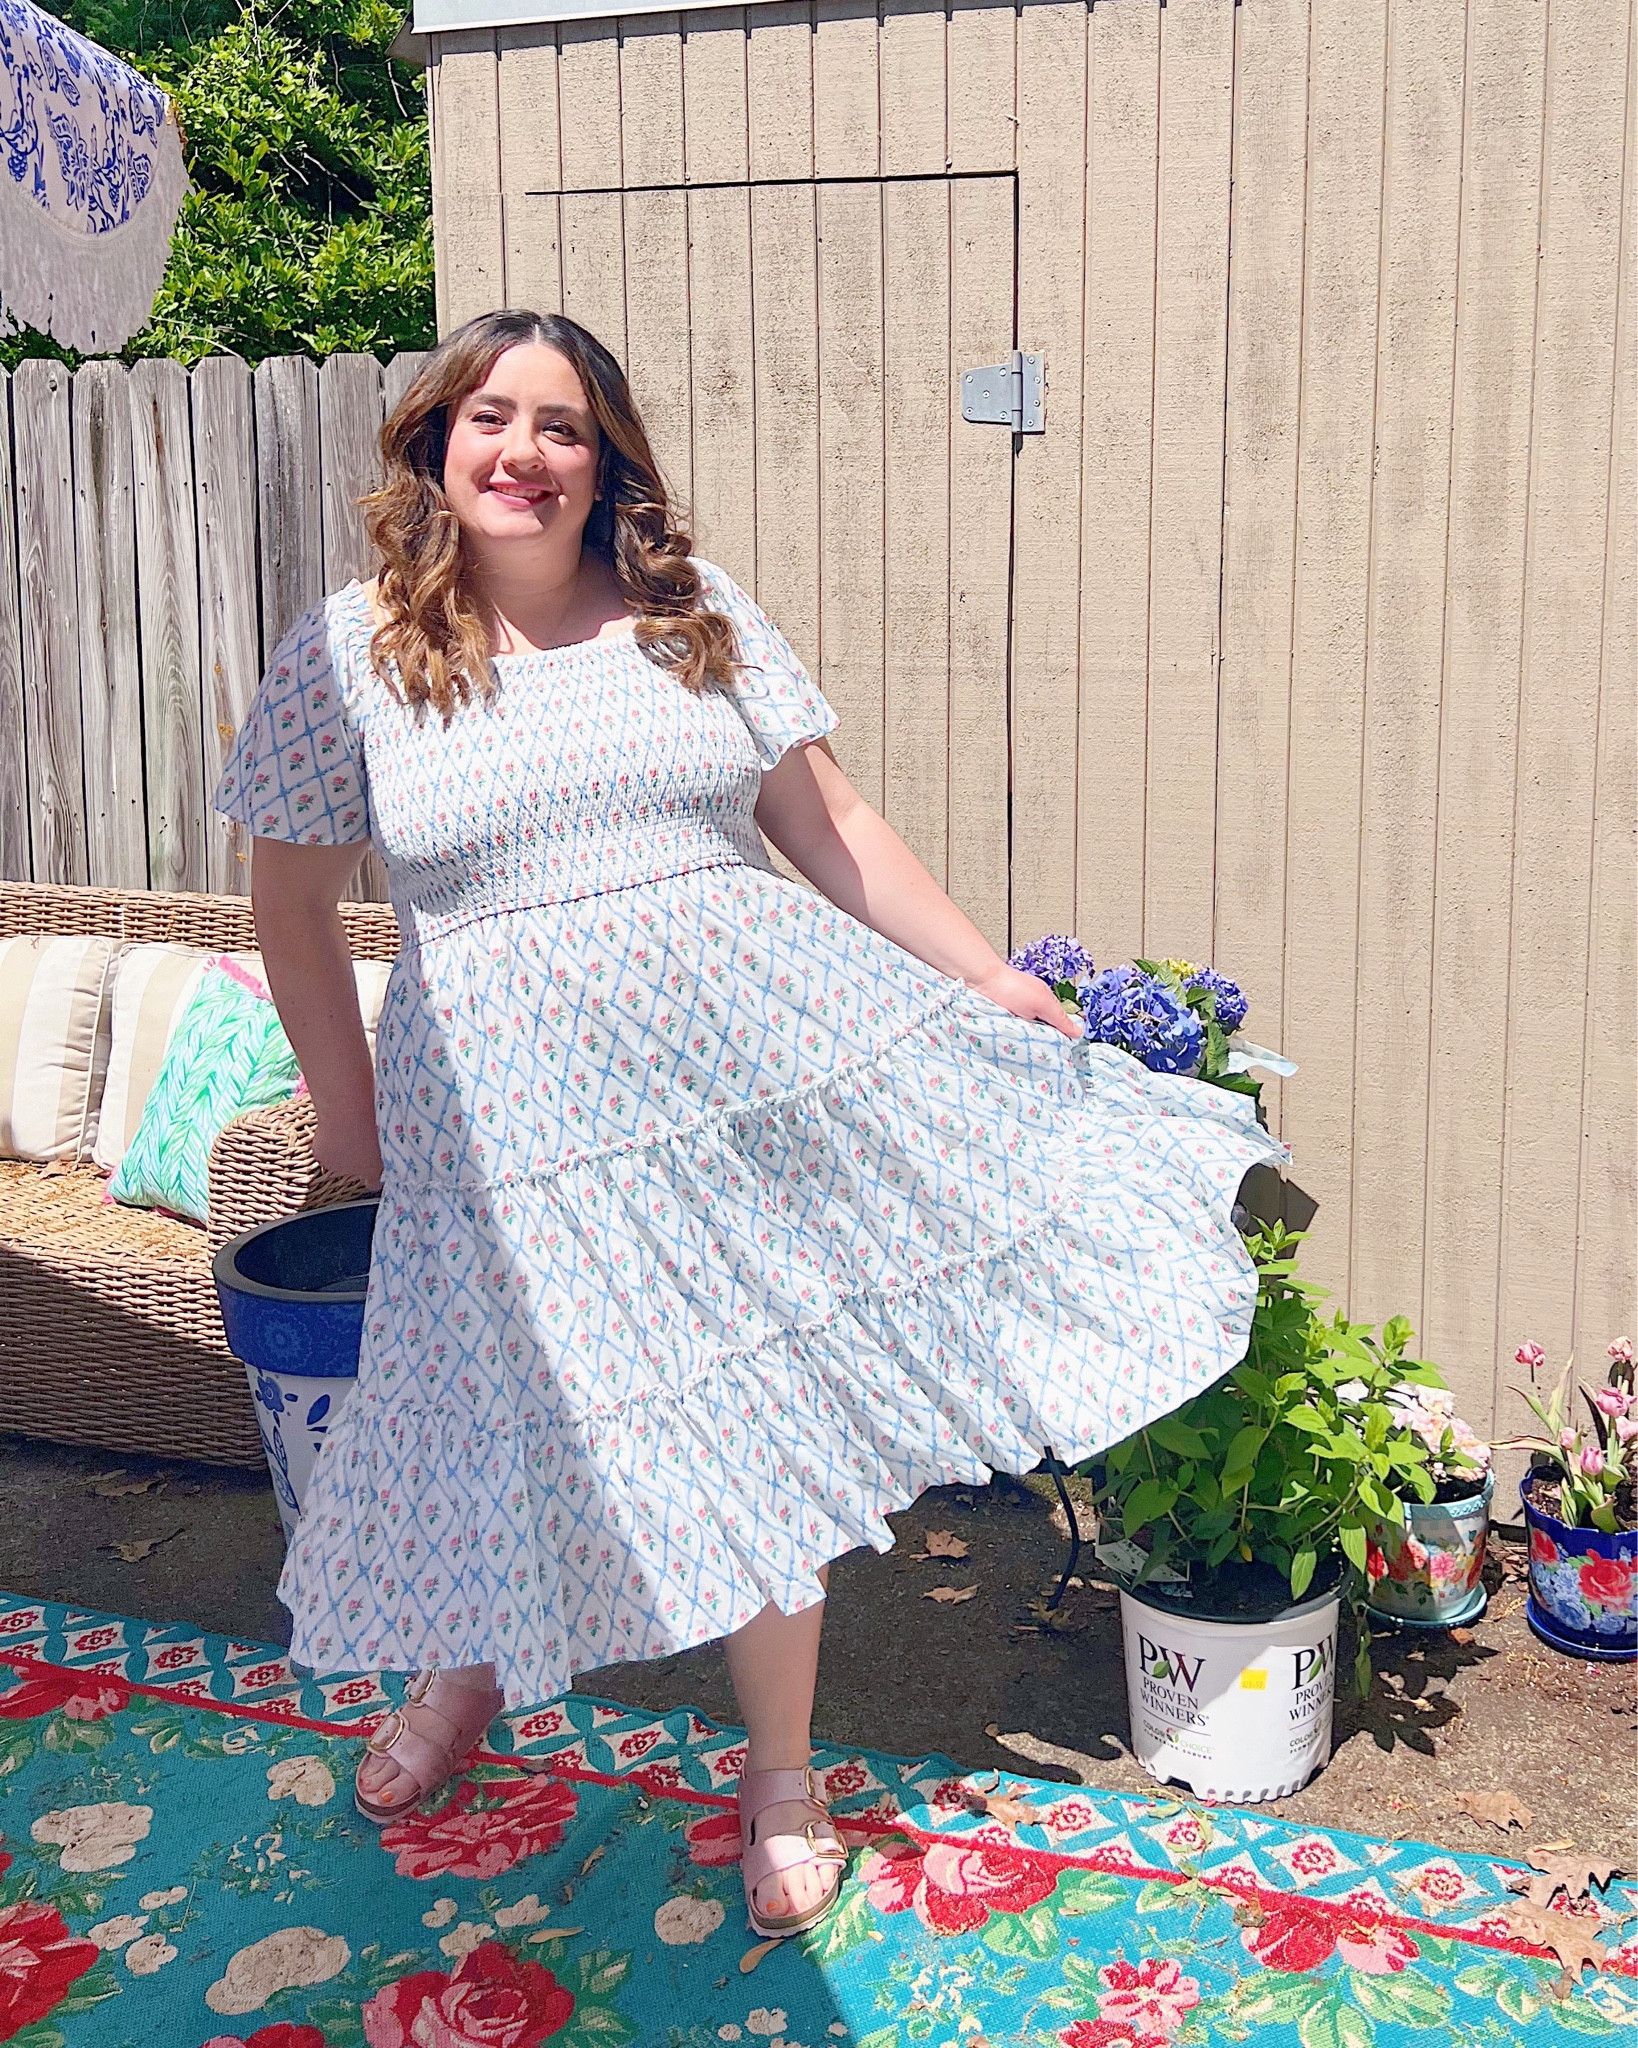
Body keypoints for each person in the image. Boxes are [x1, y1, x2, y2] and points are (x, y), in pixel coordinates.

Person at [216, 308, 1283, 1939]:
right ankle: (464, 1671)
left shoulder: (688, 620)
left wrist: (991, 979)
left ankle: (778, 1771)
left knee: (753, 1419)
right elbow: (288, 908)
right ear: (434, 443)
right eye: (488, 418)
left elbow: (826, 821)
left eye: (562, 425)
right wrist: (348, 1115)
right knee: (488, 1396)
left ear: (605, 460)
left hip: (740, 1087)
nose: (522, 452)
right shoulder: (346, 651)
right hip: (498, 1120)